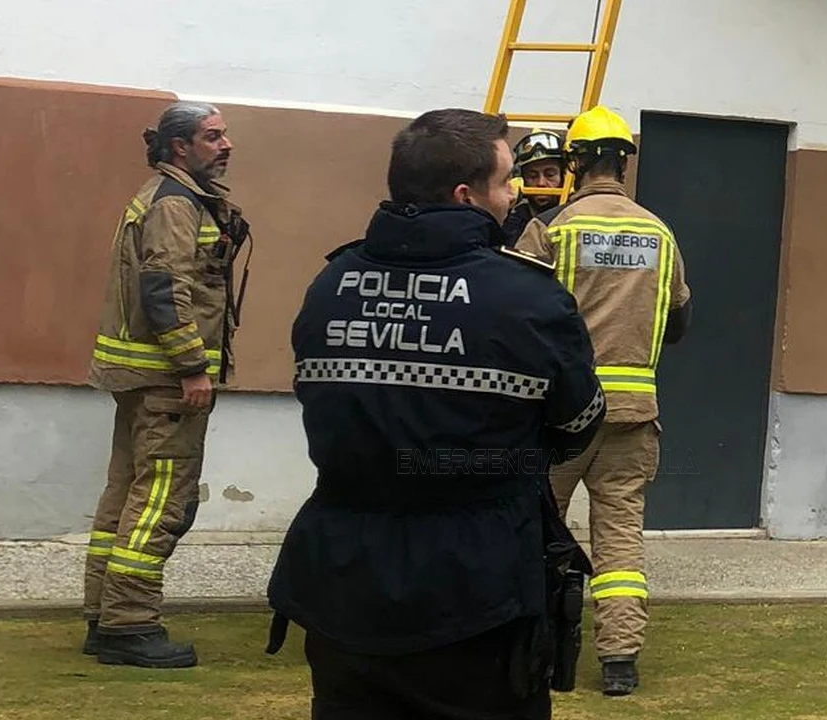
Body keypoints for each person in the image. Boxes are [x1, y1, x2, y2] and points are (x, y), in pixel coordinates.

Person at [265, 108, 605, 719]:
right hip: (479, 584)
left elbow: (323, 399)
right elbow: (579, 423)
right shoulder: (526, 295)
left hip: (342, 575)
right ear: (466, 196)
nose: (515, 197)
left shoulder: (332, 281)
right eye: (506, 183)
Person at [514, 105, 693, 696]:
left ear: (578, 162)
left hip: (559, 418)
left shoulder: (553, 230)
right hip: (633, 420)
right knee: (620, 540)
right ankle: (620, 660)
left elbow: (515, 317)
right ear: (623, 162)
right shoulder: (660, 233)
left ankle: (532, 651)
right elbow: (678, 322)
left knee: (538, 533)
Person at [81, 100, 253, 668]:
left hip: (140, 375)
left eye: (225, 135)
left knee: (125, 494)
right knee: (161, 499)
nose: (226, 145)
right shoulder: (178, 205)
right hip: (166, 381)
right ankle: (129, 624)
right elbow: (164, 288)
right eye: (213, 136)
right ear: (181, 147)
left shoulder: (165, 197)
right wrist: (191, 368)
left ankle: (102, 613)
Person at [502, 129, 566, 244]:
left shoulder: (574, 216)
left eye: (550, 175)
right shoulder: (511, 222)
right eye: (532, 176)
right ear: (521, 179)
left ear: (564, 177)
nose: (541, 183)